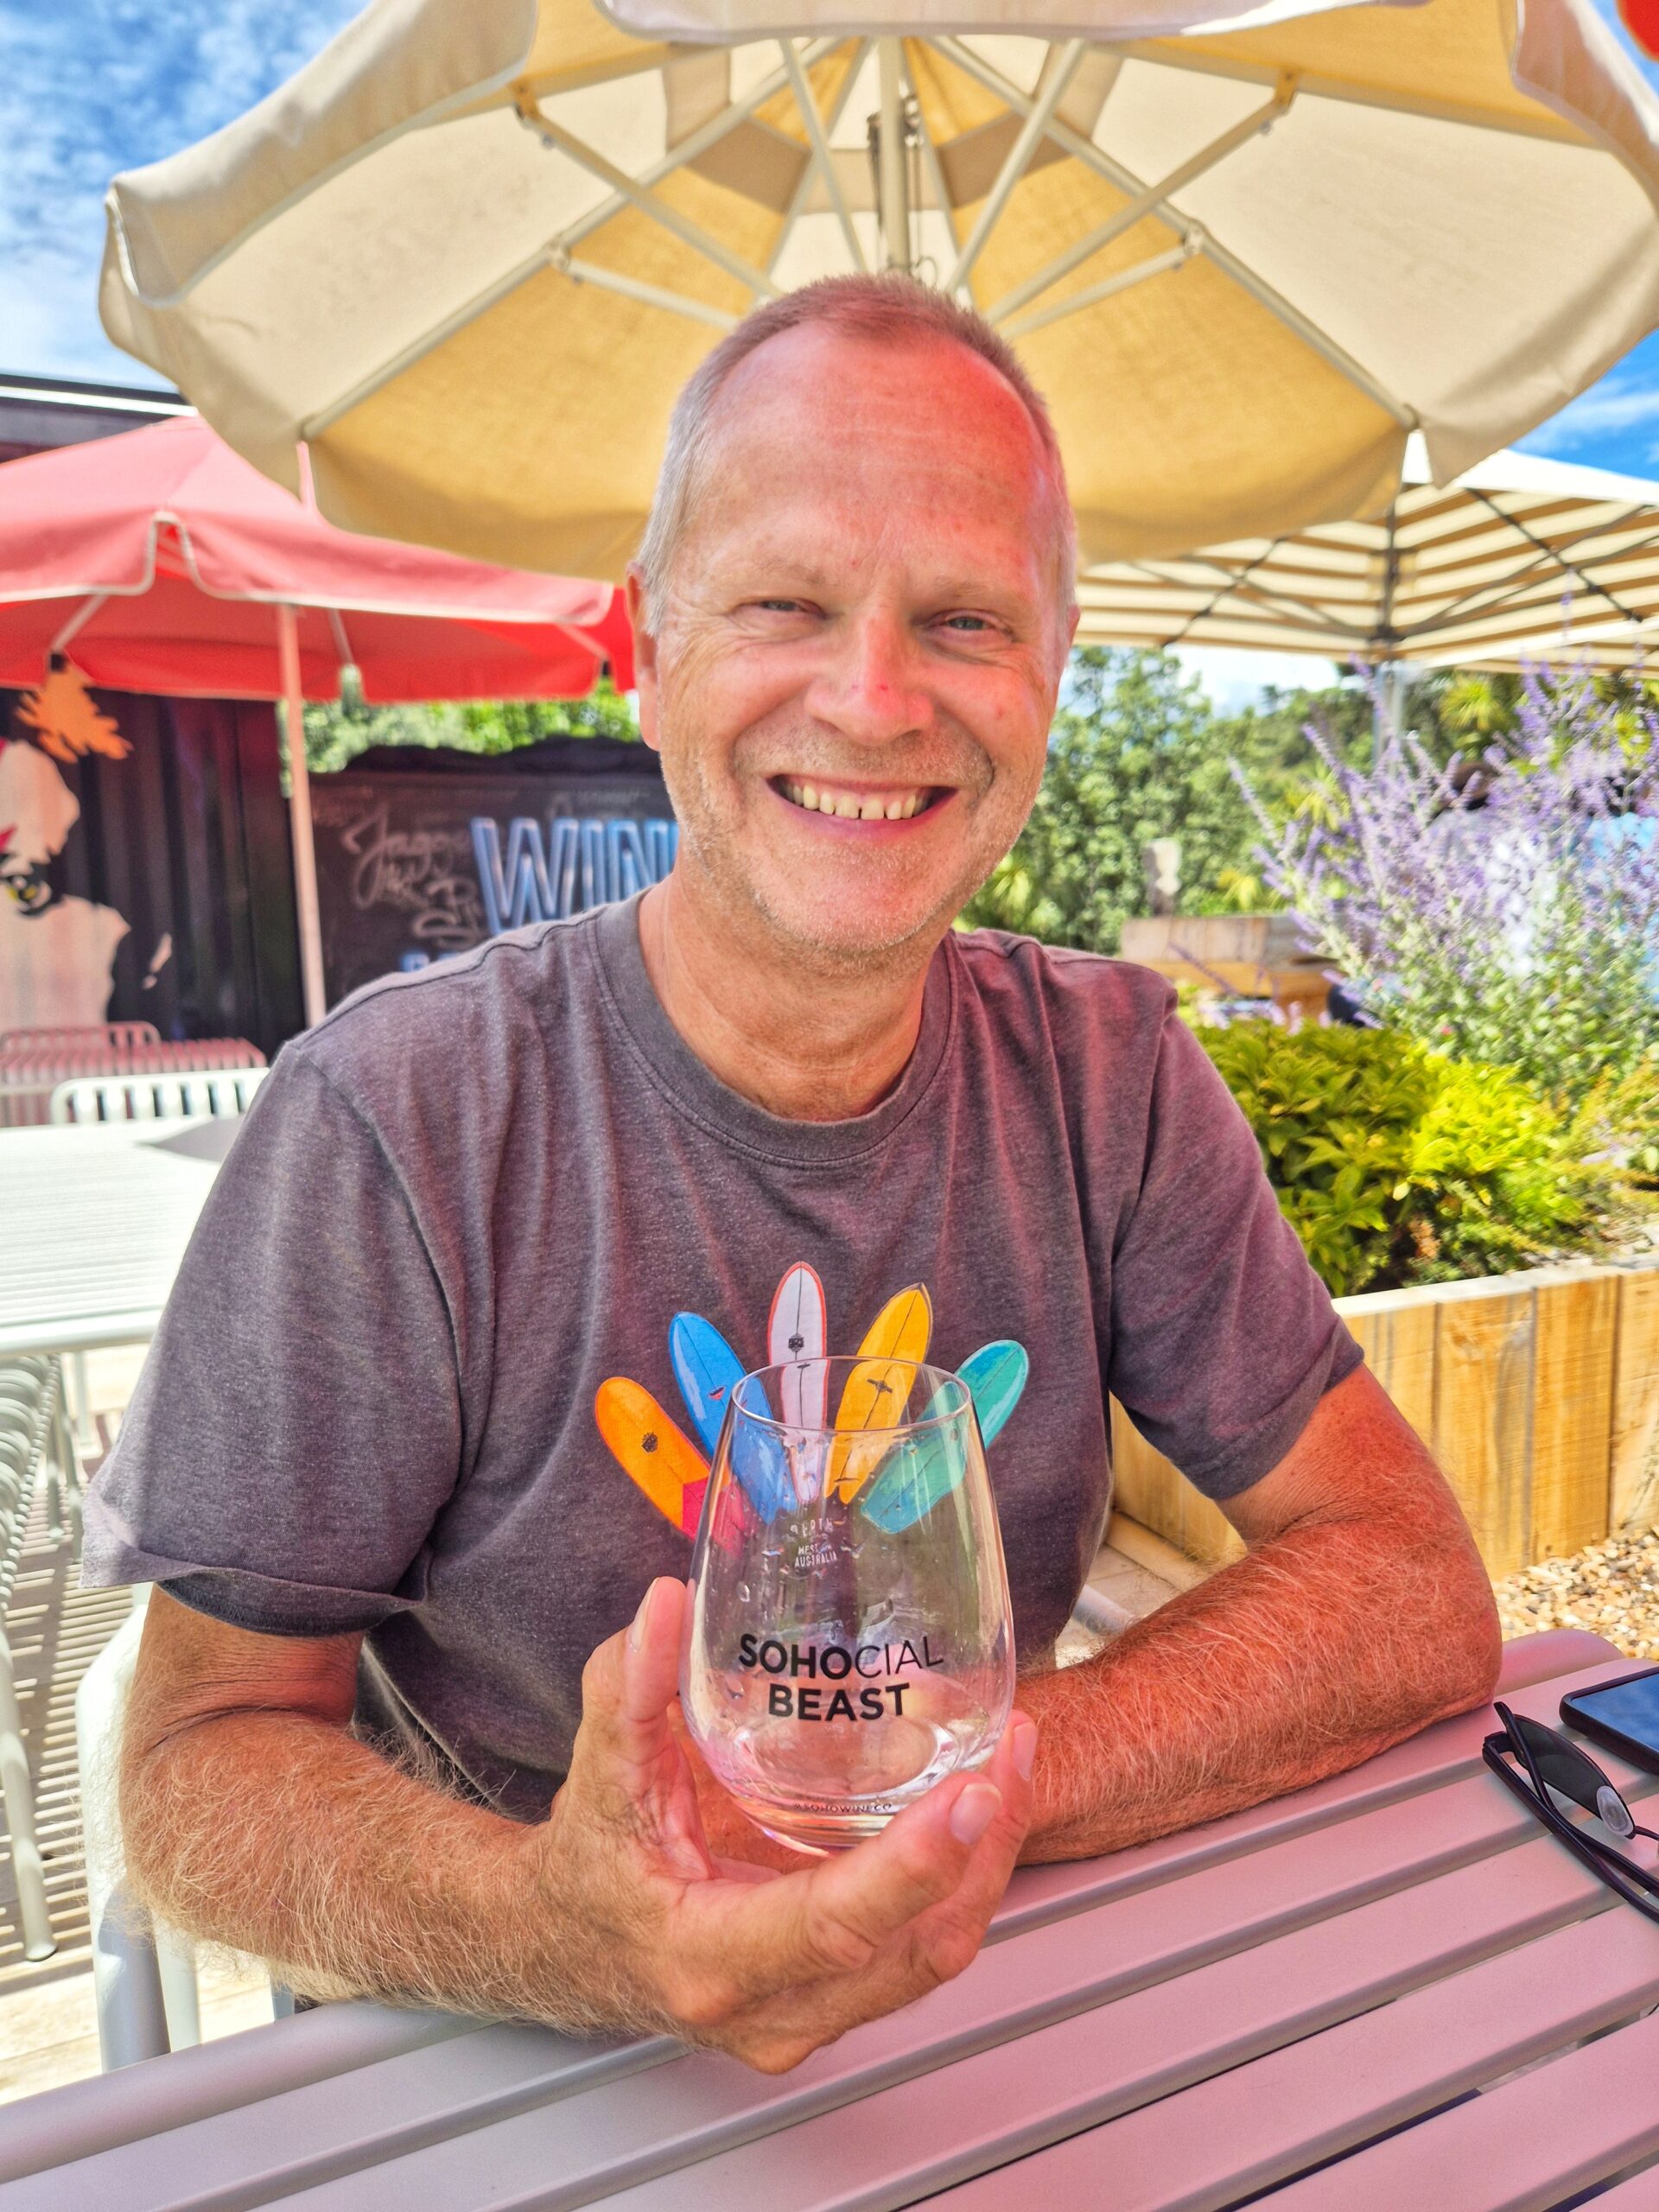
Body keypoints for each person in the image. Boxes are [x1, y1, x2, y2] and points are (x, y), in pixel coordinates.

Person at [84, 276, 1499, 2074]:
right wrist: (566, 1924)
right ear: (649, 651)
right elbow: (195, 1760)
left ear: (1052, 677)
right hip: (500, 2049)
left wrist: (962, 1792)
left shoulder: (1116, 1073)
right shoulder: (398, 1113)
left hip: (972, 1988)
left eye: (965, 618)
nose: (876, 696)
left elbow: (1409, 1576)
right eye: (785, 602)